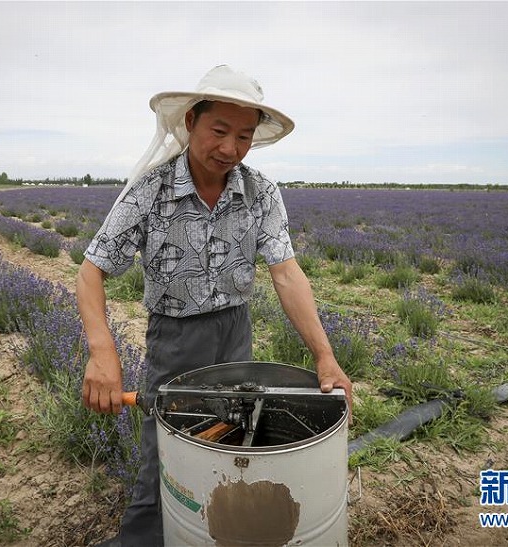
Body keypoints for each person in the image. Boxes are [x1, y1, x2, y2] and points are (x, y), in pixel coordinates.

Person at [76, 65, 353, 547]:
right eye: (219, 131)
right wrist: (103, 352)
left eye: (244, 136)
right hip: (175, 338)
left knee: (235, 437)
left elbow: (286, 272)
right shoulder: (151, 191)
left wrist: (325, 356)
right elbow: (90, 271)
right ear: (191, 124)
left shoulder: (260, 191)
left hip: (235, 332)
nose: (230, 148)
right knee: (165, 455)